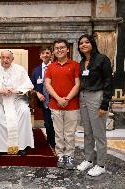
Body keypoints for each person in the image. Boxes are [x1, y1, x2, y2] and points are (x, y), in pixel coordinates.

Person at [0, 50, 34, 159]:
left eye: (8, 58)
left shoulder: (20, 69)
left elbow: (28, 85)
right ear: (0, 58)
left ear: (12, 59)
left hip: (16, 99)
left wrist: (16, 90)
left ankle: (21, 146)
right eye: (3, 57)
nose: (5, 60)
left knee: (25, 111)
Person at [76, 34, 113, 177]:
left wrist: (105, 104)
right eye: (81, 43)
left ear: (92, 43)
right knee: (87, 132)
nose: (83, 45)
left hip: (97, 97)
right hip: (83, 97)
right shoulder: (82, 62)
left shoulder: (102, 59)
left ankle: (101, 164)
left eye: (86, 42)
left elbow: (108, 81)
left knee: (99, 133)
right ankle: (89, 159)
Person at [45, 39, 80, 170]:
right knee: (58, 133)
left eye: (62, 47)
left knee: (70, 133)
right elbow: (48, 84)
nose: (59, 50)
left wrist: (67, 98)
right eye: (57, 48)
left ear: (67, 49)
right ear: (54, 51)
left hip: (72, 105)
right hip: (55, 105)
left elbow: (77, 84)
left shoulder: (75, 65)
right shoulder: (51, 67)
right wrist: (58, 98)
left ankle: (69, 155)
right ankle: (60, 155)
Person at [31, 46, 55, 149]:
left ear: (51, 55)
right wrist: (37, 93)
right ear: (40, 56)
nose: (45, 55)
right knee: (48, 123)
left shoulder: (55, 67)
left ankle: (59, 142)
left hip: (56, 100)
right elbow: (32, 86)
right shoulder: (36, 71)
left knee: (57, 124)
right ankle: (51, 143)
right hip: (44, 101)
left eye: (47, 53)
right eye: (43, 53)